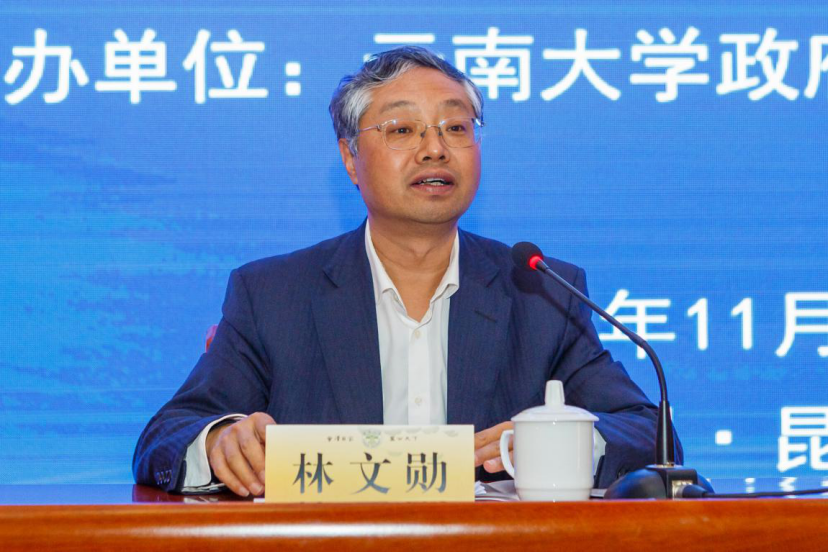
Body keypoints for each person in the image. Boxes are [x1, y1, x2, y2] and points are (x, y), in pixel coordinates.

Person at [133, 46, 680, 496]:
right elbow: (167, 436)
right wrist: (221, 441)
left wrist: (561, 443)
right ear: (350, 158)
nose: (434, 149)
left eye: (456, 127)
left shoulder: (540, 292)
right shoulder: (272, 294)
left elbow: (650, 436)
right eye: (401, 130)